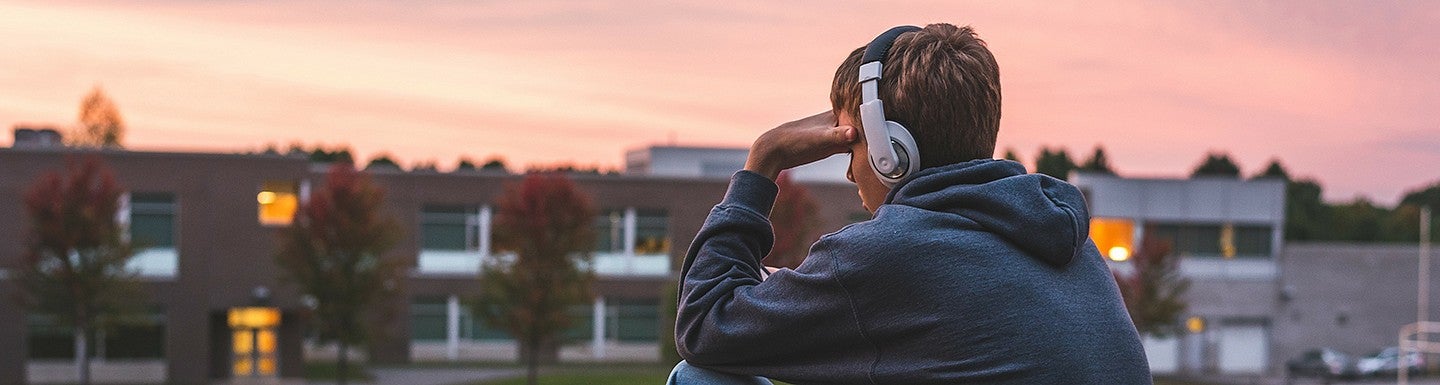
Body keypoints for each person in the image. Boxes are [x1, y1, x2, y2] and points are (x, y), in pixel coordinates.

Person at [669, 23, 1151, 384]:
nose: (849, 169)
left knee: (699, 378)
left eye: (848, 143)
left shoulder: (891, 252)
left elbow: (705, 325)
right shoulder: (1066, 240)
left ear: (890, 150)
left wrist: (764, 161)